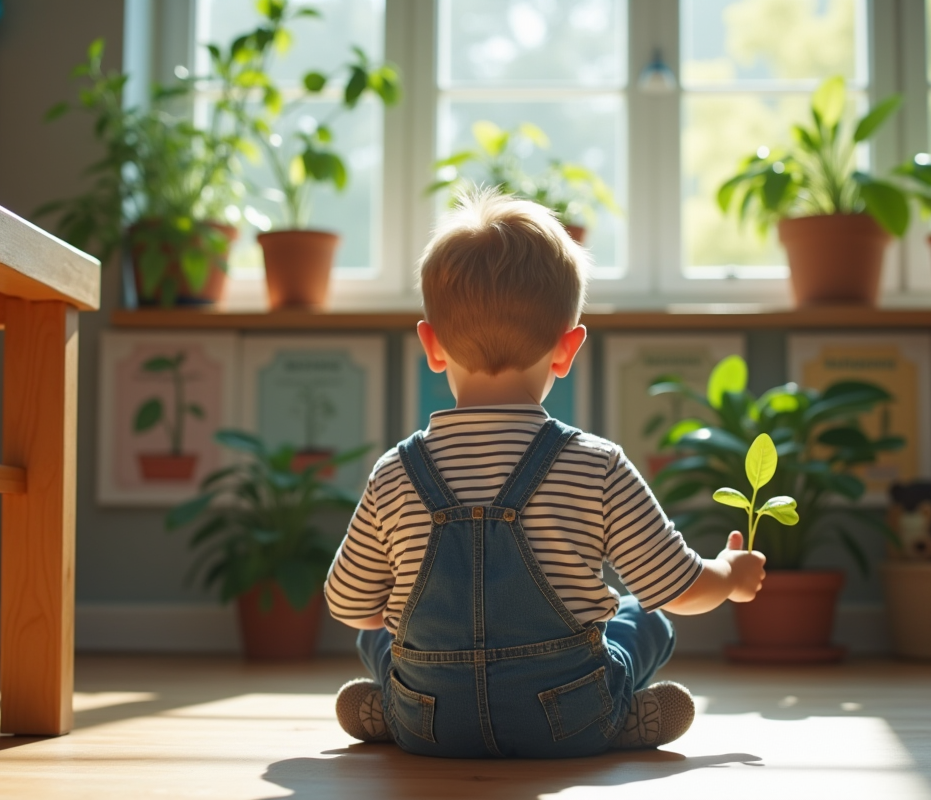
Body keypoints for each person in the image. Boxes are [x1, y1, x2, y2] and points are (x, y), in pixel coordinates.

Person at [324, 189, 766, 759]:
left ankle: (388, 707)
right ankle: (621, 717)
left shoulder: (394, 472)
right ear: (568, 348)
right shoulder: (597, 464)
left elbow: (350, 605)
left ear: (431, 345)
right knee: (644, 618)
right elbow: (679, 590)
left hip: (431, 725)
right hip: (564, 721)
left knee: (379, 631)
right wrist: (729, 574)